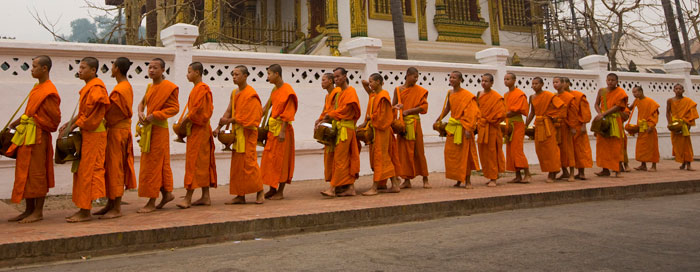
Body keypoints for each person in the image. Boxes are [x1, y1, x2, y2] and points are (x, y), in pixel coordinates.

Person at [7, 55, 61, 223]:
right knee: (25, 172)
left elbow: (54, 120)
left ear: (44, 68)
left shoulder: (50, 91)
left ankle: (38, 211)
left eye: (34, 66)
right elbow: (29, 112)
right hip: (26, 136)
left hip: (38, 137)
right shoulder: (37, 88)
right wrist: (13, 124)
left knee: (37, 174)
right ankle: (28, 209)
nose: (31, 69)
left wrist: (34, 121)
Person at [60, 57, 110, 223]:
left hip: (95, 133)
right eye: (79, 67)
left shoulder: (97, 87)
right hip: (88, 133)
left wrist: (75, 125)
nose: (80, 70)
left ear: (93, 70)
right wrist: (70, 123)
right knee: (82, 171)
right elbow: (84, 112)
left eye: (83, 67)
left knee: (88, 171)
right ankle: (83, 208)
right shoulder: (89, 87)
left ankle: (85, 211)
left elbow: (92, 112)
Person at [93, 57, 136, 219]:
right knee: (110, 167)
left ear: (116, 68)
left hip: (118, 132)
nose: (110, 68)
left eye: (112, 65)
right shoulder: (122, 87)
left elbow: (114, 114)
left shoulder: (121, 89)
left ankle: (116, 207)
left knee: (116, 168)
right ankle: (110, 204)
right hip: (115, 131)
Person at [214, 65, 264, 204]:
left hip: (248, 134)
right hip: (237, 134)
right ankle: (240, 195)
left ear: (245, 76)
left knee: (250, 164)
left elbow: (253, 118)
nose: (234, 77)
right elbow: (228, 111)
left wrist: (230, 120)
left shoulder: (251, 94)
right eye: (233, 74)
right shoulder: (234, 93)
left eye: (237, 74)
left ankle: (260, 191)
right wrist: (219, 127)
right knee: (237, 166)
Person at [137, 58, 179, 212]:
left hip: (159, 130)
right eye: (150, 67)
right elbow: (141, 103)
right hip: (149, 130)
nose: (151, 70)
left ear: (163, 70)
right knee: (155, 164)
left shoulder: (169, 87)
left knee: (154, 165)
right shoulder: (150, 87)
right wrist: (140, 111)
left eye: (155, 68)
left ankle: (151, 201)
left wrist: (156, 115)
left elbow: (175, 108)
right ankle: (166, 193)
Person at [176, 62, 217, 209]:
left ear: (197, 73)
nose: (187, 75)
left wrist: (184, 122)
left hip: (200, 130)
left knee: (194, 163)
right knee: (202, 164)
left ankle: (188, 197)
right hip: (196, 131)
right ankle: (206, 196)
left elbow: (199, 111)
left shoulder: (202, 89)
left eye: (189, 72)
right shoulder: (196, 89)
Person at [434, 71, 480, 189]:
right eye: (451, 77)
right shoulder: (450, 93)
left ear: (460, 80)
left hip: (464, 127)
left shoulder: (467, 95)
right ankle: (458, 179)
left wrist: (469, 128)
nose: (452, 79)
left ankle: (468, 181)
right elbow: (447, 108)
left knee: (465, 155)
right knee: (451, 154)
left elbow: (472, 113)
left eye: (454, 78)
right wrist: (438, 119)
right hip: (453, 128)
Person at [320, 67, 361, 197]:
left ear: (344, 77)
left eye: (338, 77)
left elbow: (346, 110)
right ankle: (350, 187)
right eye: (335, 77)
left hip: (346, 129)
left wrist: (331, 115)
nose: (336, 79)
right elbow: (335, 110)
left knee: (340, 159)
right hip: (340, 128)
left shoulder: (350, 91)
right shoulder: (340, 93)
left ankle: (332, 188)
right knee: (344, 158)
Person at [260, 64, 297, 200]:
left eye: (269, 74)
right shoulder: (274, 90)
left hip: (283, 130)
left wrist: (282, 131)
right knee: (270, 160)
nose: (268, 77)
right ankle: (272, 189)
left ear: (277, 74)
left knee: (281, 161)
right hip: (272, 130)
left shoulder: (288, 91)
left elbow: (288, 113)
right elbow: (266, 107)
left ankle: (280, 192)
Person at [360, 73, 400, 196]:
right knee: (384, 157)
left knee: (380, 157)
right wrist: (370, 83)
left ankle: (375, 187)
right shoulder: (375, 95)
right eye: (370, 82)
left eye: (372, 82)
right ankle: (394, 184)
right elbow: (364, 83)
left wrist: (370, 117)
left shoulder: (383, 96)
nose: (370, 84)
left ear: (378, 82)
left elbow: (383, 116)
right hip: (378, 129)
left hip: (382, 130)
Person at [394, 67, 431, 189]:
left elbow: (424, 107)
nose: (416, 79)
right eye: (414, 76)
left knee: (418, 151)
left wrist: (409, 111)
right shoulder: (398, 90)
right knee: (403, 153)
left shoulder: (420, 90)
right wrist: (396, 109)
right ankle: (406, 180)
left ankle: (425, 178)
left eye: (417, 77)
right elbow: (393, 105)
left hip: (415, 123)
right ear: (408, 75)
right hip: (403, 125)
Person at [525, 77, 563, 183]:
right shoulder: (532, 97)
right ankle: (549, 169)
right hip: (538, 124)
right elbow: (532, 112)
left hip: (548, 124)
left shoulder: (549, 95)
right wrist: (526, 124)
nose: (534, 86)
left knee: (551, 148)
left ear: (542, 84)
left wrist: (554, 116)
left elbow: (561, 106)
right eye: (532, 84)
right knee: (540, 149)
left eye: (536, 83)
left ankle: (553, 171)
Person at [593, 73, 627, 178]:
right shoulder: (601, 91)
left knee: (615, 145)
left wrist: (604, 113)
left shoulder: (620, 92)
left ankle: (617, 170)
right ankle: (605, 169)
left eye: (612, 80)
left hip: (614, 120)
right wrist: (600, 113)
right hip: (603, 120)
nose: (610, 82)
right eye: (608, 80)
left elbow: (618, 106)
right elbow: (596, 104)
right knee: (602, 146)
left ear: (617, 82)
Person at [476, 73, 506, 187]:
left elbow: (501, 114)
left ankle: (494, 177)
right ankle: (490, 175)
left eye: (486, 81)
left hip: (492, 128)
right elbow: (476, 109)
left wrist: (491, 119)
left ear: (492, 83)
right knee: (484, 154)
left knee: (492, 153)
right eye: (482, 81)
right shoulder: (479, 94)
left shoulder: (496, 97)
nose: (484, 83)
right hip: (482, 128)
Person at [503, 73, 531, 183]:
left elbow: (517, 109)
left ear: (514, 80)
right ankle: (518, 175)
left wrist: (503, 114)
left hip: (517, 124)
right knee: (510, 151)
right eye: (505, 79)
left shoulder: (520, 94)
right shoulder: (505, 95)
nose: (506, 81)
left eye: (508, 79)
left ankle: (528, 174)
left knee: (517, 150)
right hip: (508, 125)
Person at [563, 78, 593, 180]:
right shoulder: (559, 96)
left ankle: (581, 172)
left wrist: (584, 125)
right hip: (565, 126)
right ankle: (566, 172)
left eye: (563, 82)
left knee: (580, 149)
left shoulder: (578, 95)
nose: (560, 85)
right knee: (567, 150)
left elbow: (584, 111)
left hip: (578, 125)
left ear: (568, 84)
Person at [667, 83, 698, 171]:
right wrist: (670, 123)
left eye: (680, 89)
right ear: (673, 90)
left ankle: (688, 164)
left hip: (684, 124)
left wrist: (688, 124)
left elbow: (691, 113)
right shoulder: (670, 100)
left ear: (683, 90)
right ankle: (683, 163)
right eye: (676, 89)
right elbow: (668, 112)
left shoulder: (687, 101)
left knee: (686, 145)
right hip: (675, 124)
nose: (678, 90)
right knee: (677, 145)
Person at [629, 86, 659, 172]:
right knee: (641, 146)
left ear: (641, 91)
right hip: (641, 126)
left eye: (636, 92)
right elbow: (630, 108)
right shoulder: (637, 101)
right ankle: (643, 165)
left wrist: (652, 125)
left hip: (649, 126)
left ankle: (654, 166)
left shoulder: (650, 102)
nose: (634, 94)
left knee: (652, 147)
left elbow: (655, 114)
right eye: (633, 92)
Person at [315, 73, 338, 185]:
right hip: (328, 126)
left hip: (335, 128)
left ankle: (337, 183)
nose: (322, 82)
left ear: (330, 81)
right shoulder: (328, 96)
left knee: (335, 157)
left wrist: (325, 120)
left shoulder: (337, 93)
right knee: (329, 156)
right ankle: (333, 182)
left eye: (324, 80)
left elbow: (335, 111)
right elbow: (325, 111)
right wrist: (319, 120)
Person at [553, 77, 576, 182]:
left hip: (566, 126)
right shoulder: (554, 96)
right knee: (559, 150)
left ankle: (572, 173)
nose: (555, 84)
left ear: (563, 83)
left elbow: (572, 113)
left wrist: (572, 127)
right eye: (553, 82)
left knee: (569, 150)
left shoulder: (569, 97)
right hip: (557, 126)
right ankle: (564, 171)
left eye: (557, 82)